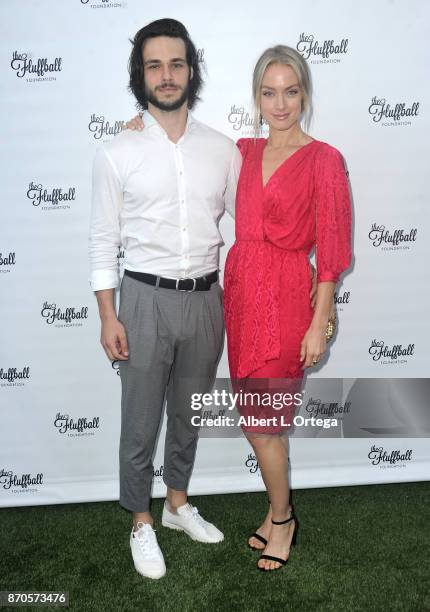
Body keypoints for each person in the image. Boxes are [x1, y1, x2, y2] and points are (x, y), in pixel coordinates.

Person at [88, 18, 243, 580]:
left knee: (188, 414)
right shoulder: (118, 152)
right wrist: (108, 314)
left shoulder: (224, 150)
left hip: (206, 299)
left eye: (176, 63)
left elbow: (248, 220)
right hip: (142, 300)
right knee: (139, 421)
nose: (166, 74)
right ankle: (141, 521)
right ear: (141, 75)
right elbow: (104, 240)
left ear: (191, 70)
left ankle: (176, 505)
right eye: (154, 65)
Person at [223, 45, 352, 571]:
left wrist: (321, 321)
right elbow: (184, 158)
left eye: (291, 91)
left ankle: (282, 521)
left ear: (305, 93)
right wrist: (140, 126)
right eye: (269, 92)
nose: (280, 104)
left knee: (265, 424)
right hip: (241, 301)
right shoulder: (242, 151)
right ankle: (279, 508)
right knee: (255, 420)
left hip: (286, 302)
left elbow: (334, 250)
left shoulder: (324, 159)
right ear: (256, 97)